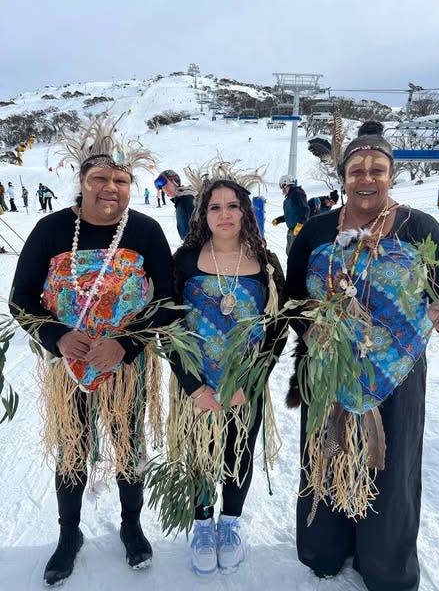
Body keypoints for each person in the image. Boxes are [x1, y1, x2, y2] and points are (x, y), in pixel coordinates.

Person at [284, 121, 439, 591]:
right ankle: (325, 547)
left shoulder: (419, 227)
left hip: (396, 375)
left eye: (378, 168)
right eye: (357, 167)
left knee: (390, 464)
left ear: (391, 174)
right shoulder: (316, 230)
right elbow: (294, 298)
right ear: (343, 175)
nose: (367, 177)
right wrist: (318, 331)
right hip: (328, 369)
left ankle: (385, 565)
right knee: (326, 451)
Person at [9, 118, 176, 586]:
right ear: (81, 184)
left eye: (121, 181)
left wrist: (126, 344)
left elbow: (167, 297)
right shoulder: (51, 229)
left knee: (128, 447)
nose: (110, 188)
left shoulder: (143, 231)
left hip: (125, 366)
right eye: (99, 179)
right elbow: (20, 299)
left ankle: (131, 525)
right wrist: (57, 337)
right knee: (72, 450)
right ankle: (69, 534)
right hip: (69, 368)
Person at [168, 162, 287, 576]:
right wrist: (194, 387)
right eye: (214, 206)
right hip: (196, 385)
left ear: (245, 213)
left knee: (239, 452)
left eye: (232, 206)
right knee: (200, 455)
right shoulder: (183, 261)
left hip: (244, 387)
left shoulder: (267, 262)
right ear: (202, 214)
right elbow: (168, 326)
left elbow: (277, 331)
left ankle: (230, 522)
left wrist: (251, 385)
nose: (224, 214)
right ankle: (202, 524)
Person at [271, 175, 309, 254]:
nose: (282, 189)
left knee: (296, 253)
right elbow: (290, 215)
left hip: (298, 230)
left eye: (282, 186)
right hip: (292, 230)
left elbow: (305, 210)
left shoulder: (297, 193)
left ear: (285, 184)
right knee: (289, 252)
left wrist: (300, 224)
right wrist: (279, 220)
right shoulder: (289, 197)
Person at [154, 169, 196, 239]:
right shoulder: (182, 199)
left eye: (166, 185)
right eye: (163, 188)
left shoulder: (187, 199)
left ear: (175, 182)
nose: (165, 190)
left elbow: (197, 228)